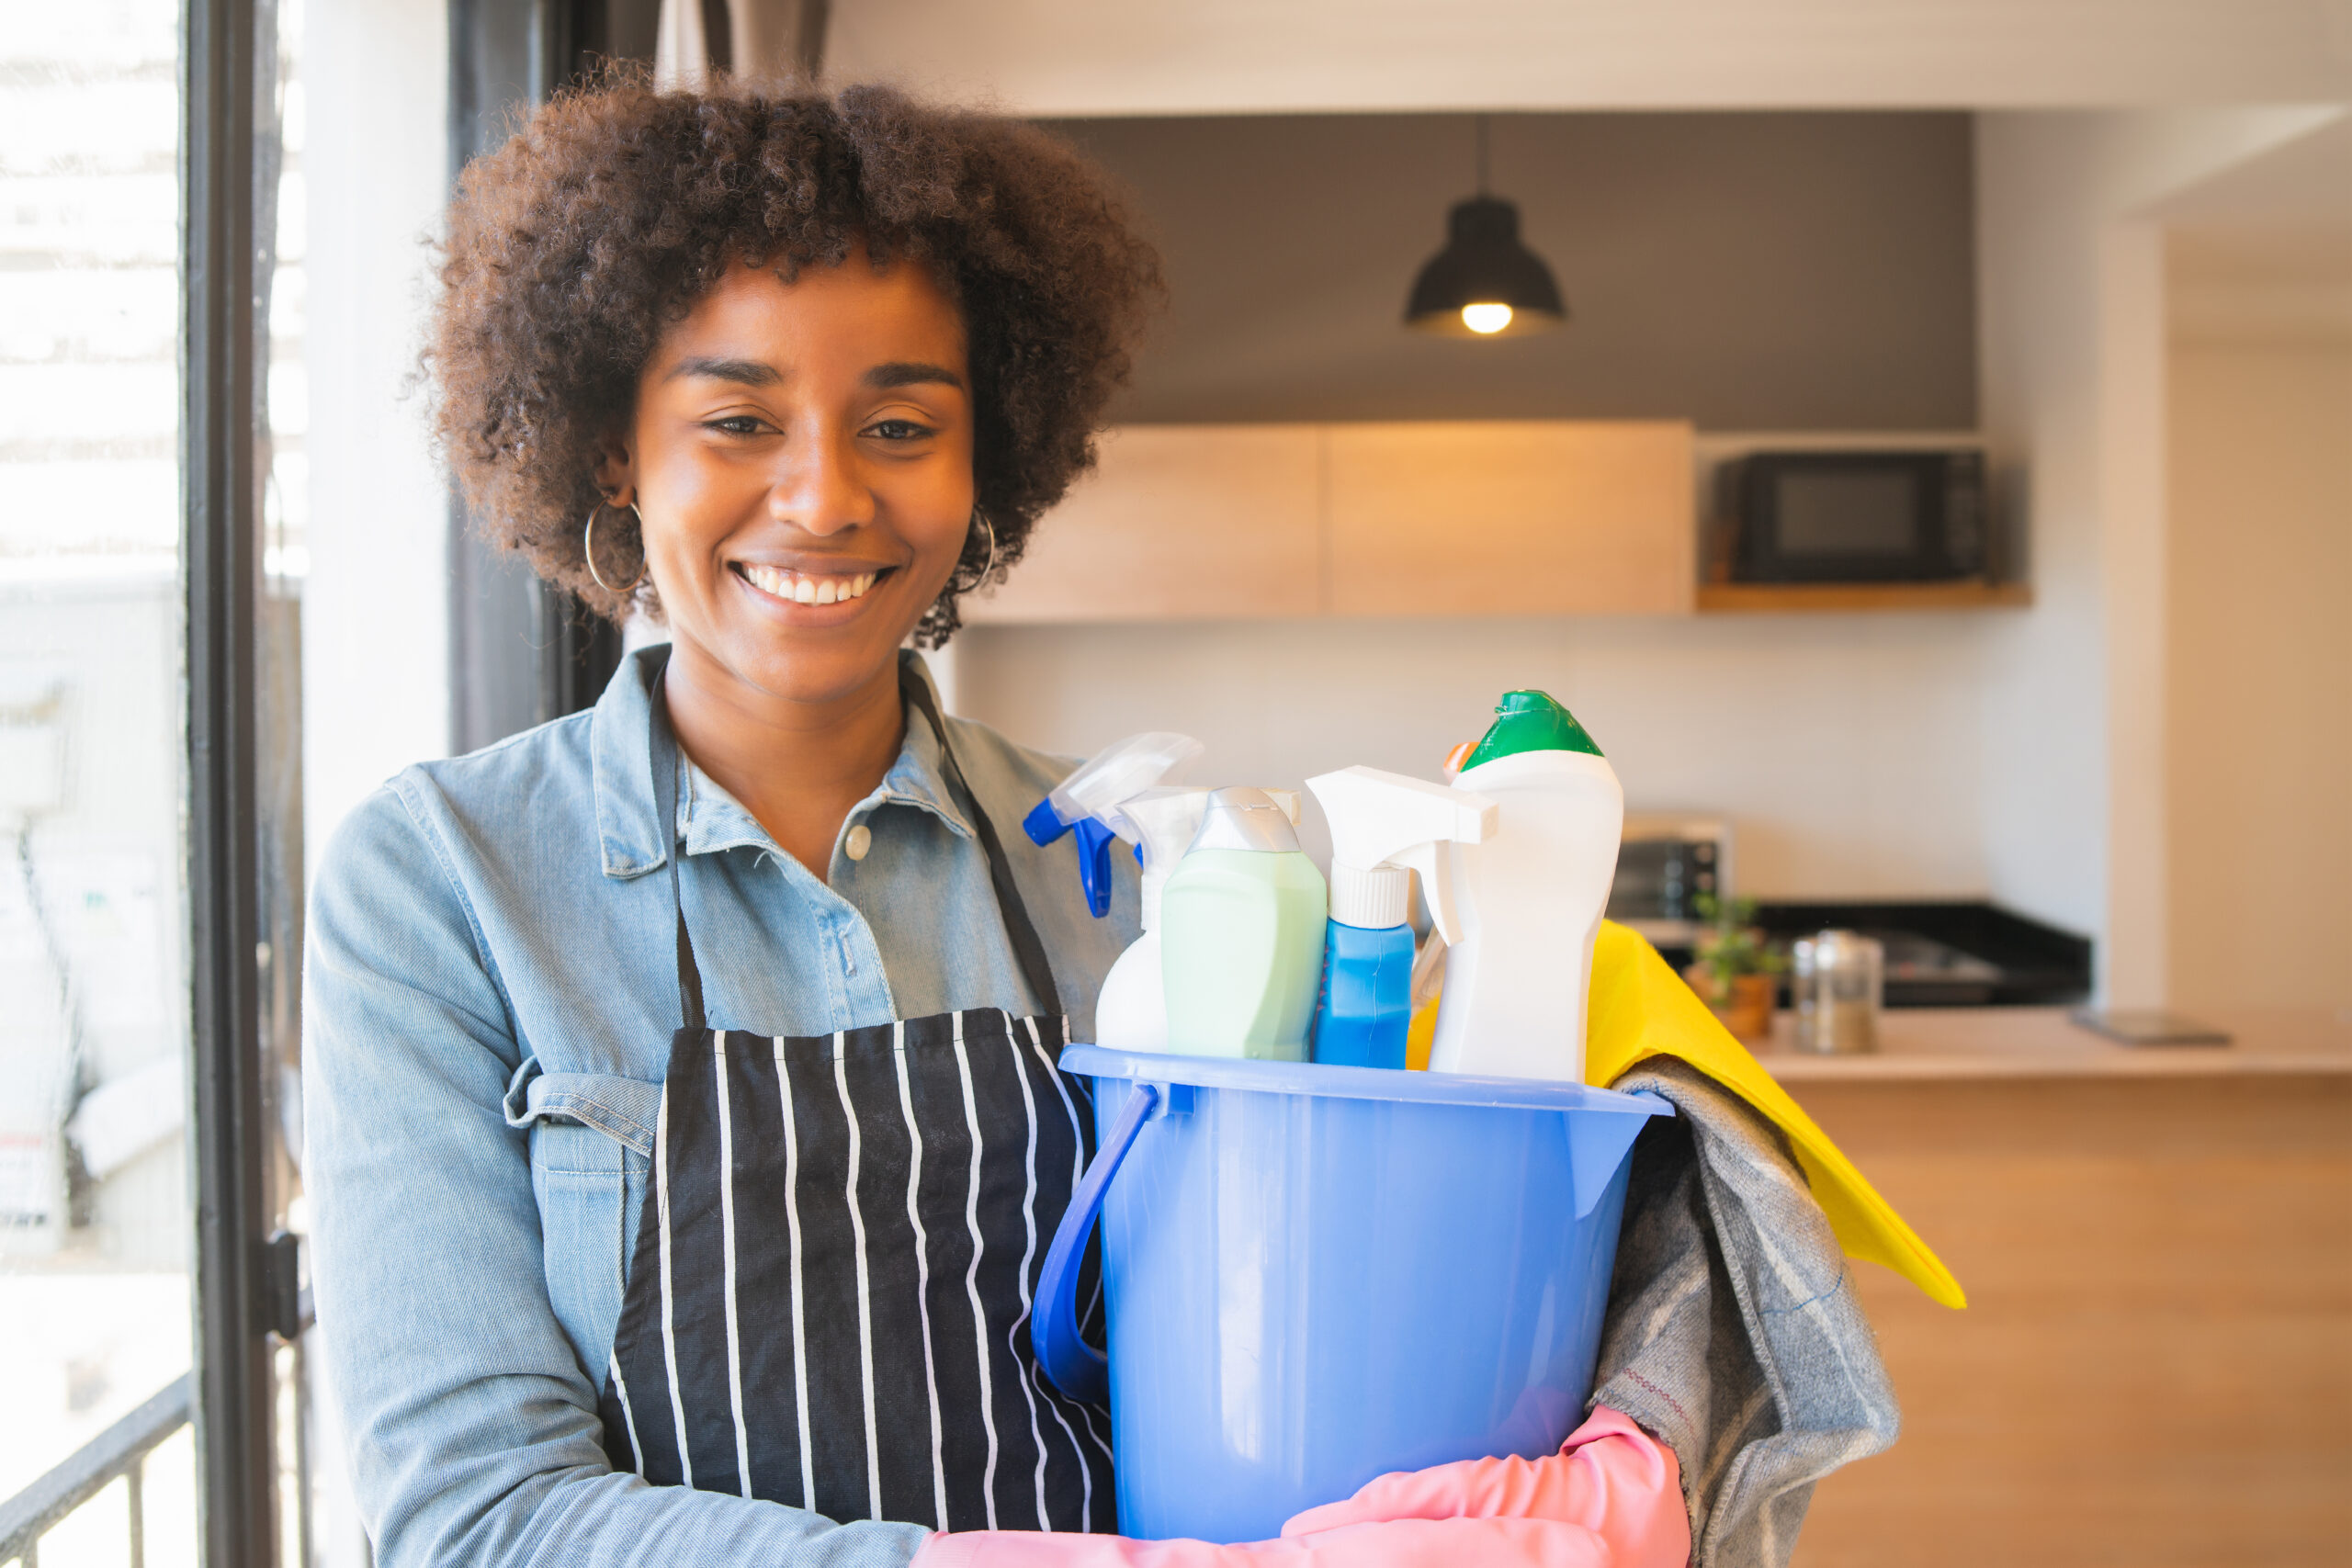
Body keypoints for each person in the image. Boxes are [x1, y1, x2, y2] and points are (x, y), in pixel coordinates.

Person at [303, 76, 1688, 1568]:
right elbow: (473, 1516)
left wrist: (1641, 1414)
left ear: (990, 459)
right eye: (737, 420)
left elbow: (1361, 1277)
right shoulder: (444, 881)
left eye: (900, 423)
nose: (825, 495)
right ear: (609, 452)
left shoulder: (1142, 865)